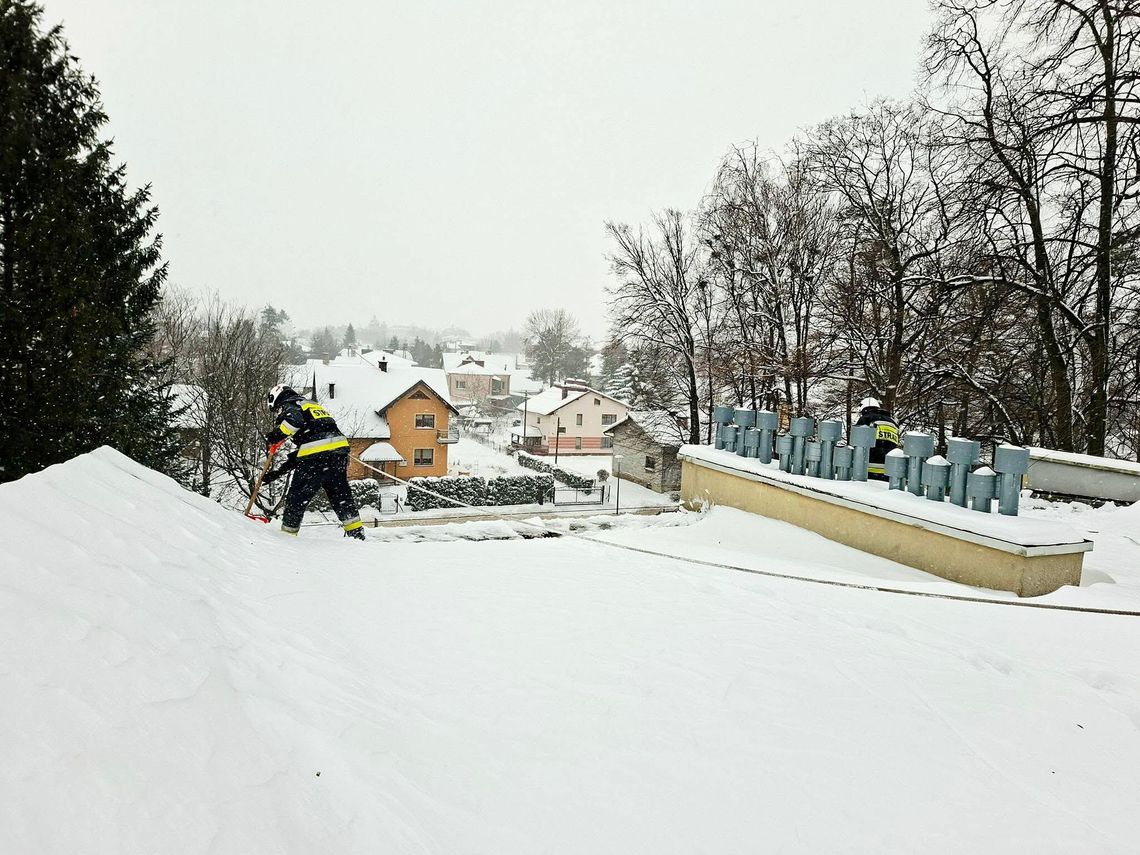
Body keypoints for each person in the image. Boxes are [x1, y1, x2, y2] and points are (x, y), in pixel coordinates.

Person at [262, 384, 365, 539]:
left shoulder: (290, 403)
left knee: (297, 498)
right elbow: (307, 449)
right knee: (340, 496)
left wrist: (275, 435)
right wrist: (277, 473)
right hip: (338, 454)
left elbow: (294, 422)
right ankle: (356, 534)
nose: (279, 412)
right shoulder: (310, 405)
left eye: (277, 409)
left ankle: (287, 537)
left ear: (276, 398)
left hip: (317, 459)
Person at [855, 397, 900, 480]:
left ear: (865, 408)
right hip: (889, 469)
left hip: (867, 468)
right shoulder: (893, 422)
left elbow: (856, 441)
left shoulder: (866, 419)